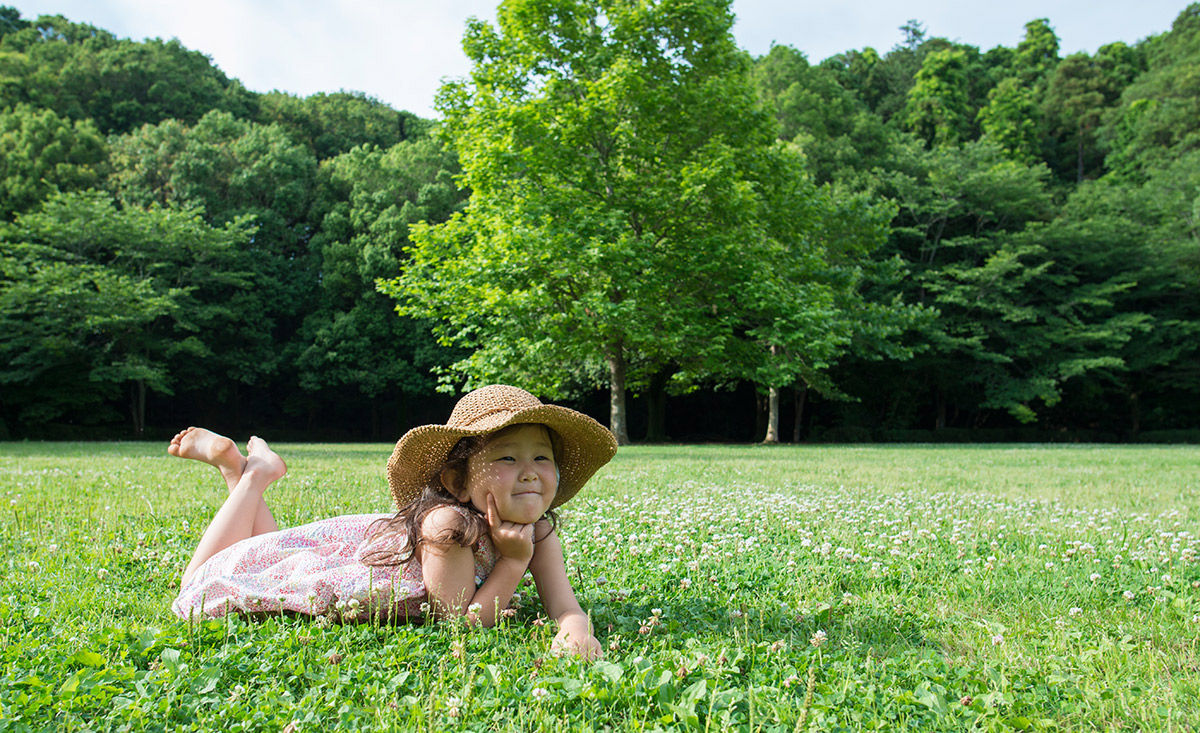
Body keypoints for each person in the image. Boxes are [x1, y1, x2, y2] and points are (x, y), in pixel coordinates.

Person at [169, 384, 617, 659]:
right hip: (351, 571)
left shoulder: (539, 528)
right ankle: (252, 477)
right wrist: (514, 563)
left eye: (542, 456)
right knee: (203, 579)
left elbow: (565, 606)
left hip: (344, 556)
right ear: (457, 481)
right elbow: (458, 623)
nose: (529, 471)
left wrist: (575, 628)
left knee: (269, 554)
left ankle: (242, 471)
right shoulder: (447, 526)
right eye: (506, 456)